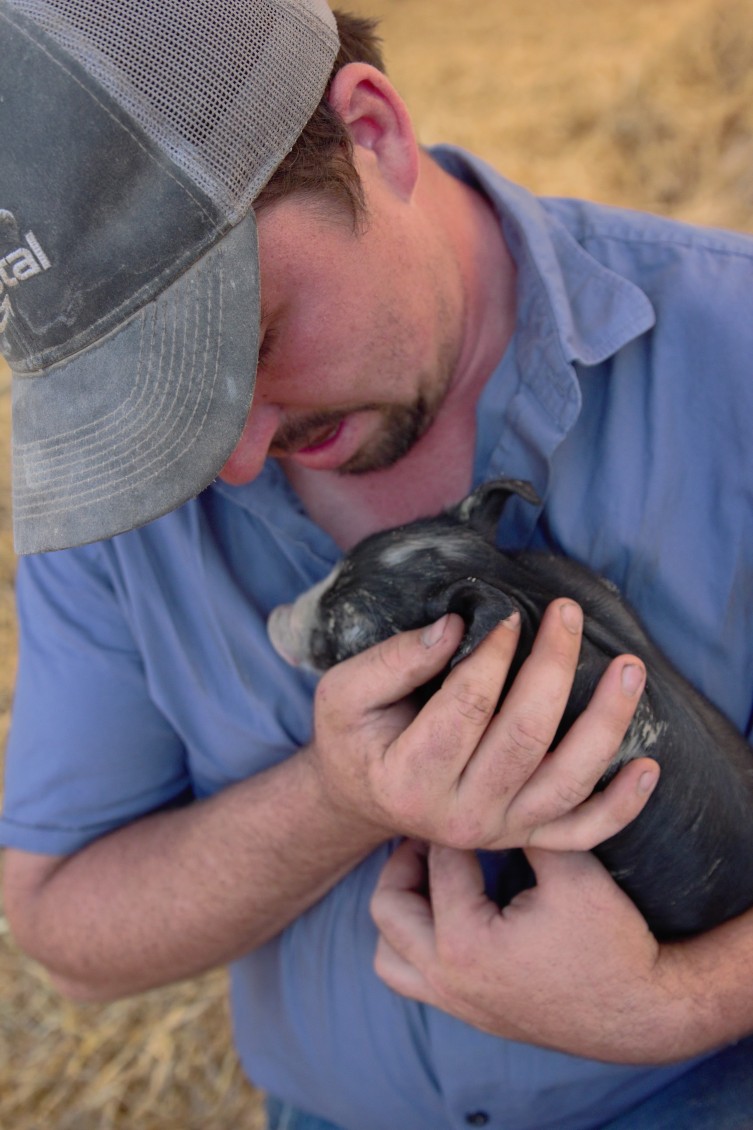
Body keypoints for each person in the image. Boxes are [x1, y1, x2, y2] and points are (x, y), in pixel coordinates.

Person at [2, 2, 753, 1127]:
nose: (236, 458)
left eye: (254, 339)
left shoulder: (732, 347)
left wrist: (685, 1004)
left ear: (374, 133)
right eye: (152, 409)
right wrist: (336, 795)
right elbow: (66, 932)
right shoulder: (118, 517)